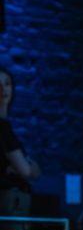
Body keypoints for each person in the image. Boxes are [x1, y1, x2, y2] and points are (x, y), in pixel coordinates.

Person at [0, 69, 41, 216]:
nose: (3, 89)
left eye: (7, 84)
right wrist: (27, 164)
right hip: (8, 204)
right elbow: (27, 171)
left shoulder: (5, 126)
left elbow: (30, 171)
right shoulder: (2, 127)